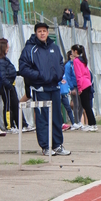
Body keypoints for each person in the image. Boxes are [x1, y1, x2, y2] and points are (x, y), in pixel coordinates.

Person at [18, 22, 71, 157]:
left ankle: (58, 145)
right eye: (39, 31)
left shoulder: (54, 47)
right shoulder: (30, 49)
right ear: (36, 33)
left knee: (57, 117)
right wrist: (39, 76)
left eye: (44, 31)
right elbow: (23, 68)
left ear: (48, 33)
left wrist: (58, 74)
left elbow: (60, 62)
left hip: (55, 87)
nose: (42, 33)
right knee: (43, 118)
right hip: (40, 89)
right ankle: (46, 146)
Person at [0, 38, 34, 134]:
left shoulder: (4, 59)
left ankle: (21, 124)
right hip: (6, 86)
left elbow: (8, 72)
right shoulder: (0, 61)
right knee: (8, 105)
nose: (8, 48)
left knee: (15, 105)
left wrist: (19, 73)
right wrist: (8, 85)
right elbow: (2, 76)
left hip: (10, 84)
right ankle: (9, 126)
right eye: (7, 46)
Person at [71, 44, 97, 131]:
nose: (71, 53)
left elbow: (78, 75)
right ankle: (93, 123)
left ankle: (91, 124)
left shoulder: (76, 61)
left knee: (85, 105)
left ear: (75, 51)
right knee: (87, 105)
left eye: (72, 51)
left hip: (83, 84)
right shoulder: (83, 60)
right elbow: (88, 73)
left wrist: (79, 88)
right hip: (88, 83)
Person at [64, 51, 82, 129]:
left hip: (79, 86)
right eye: (73, 56)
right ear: (70, 56)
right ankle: (76, 121)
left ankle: (79, 120)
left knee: (81, 104)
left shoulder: (77, 64)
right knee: (76, 104)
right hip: (73, 86)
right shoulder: (68, 65)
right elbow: (68, 77)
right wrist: (71, 88)